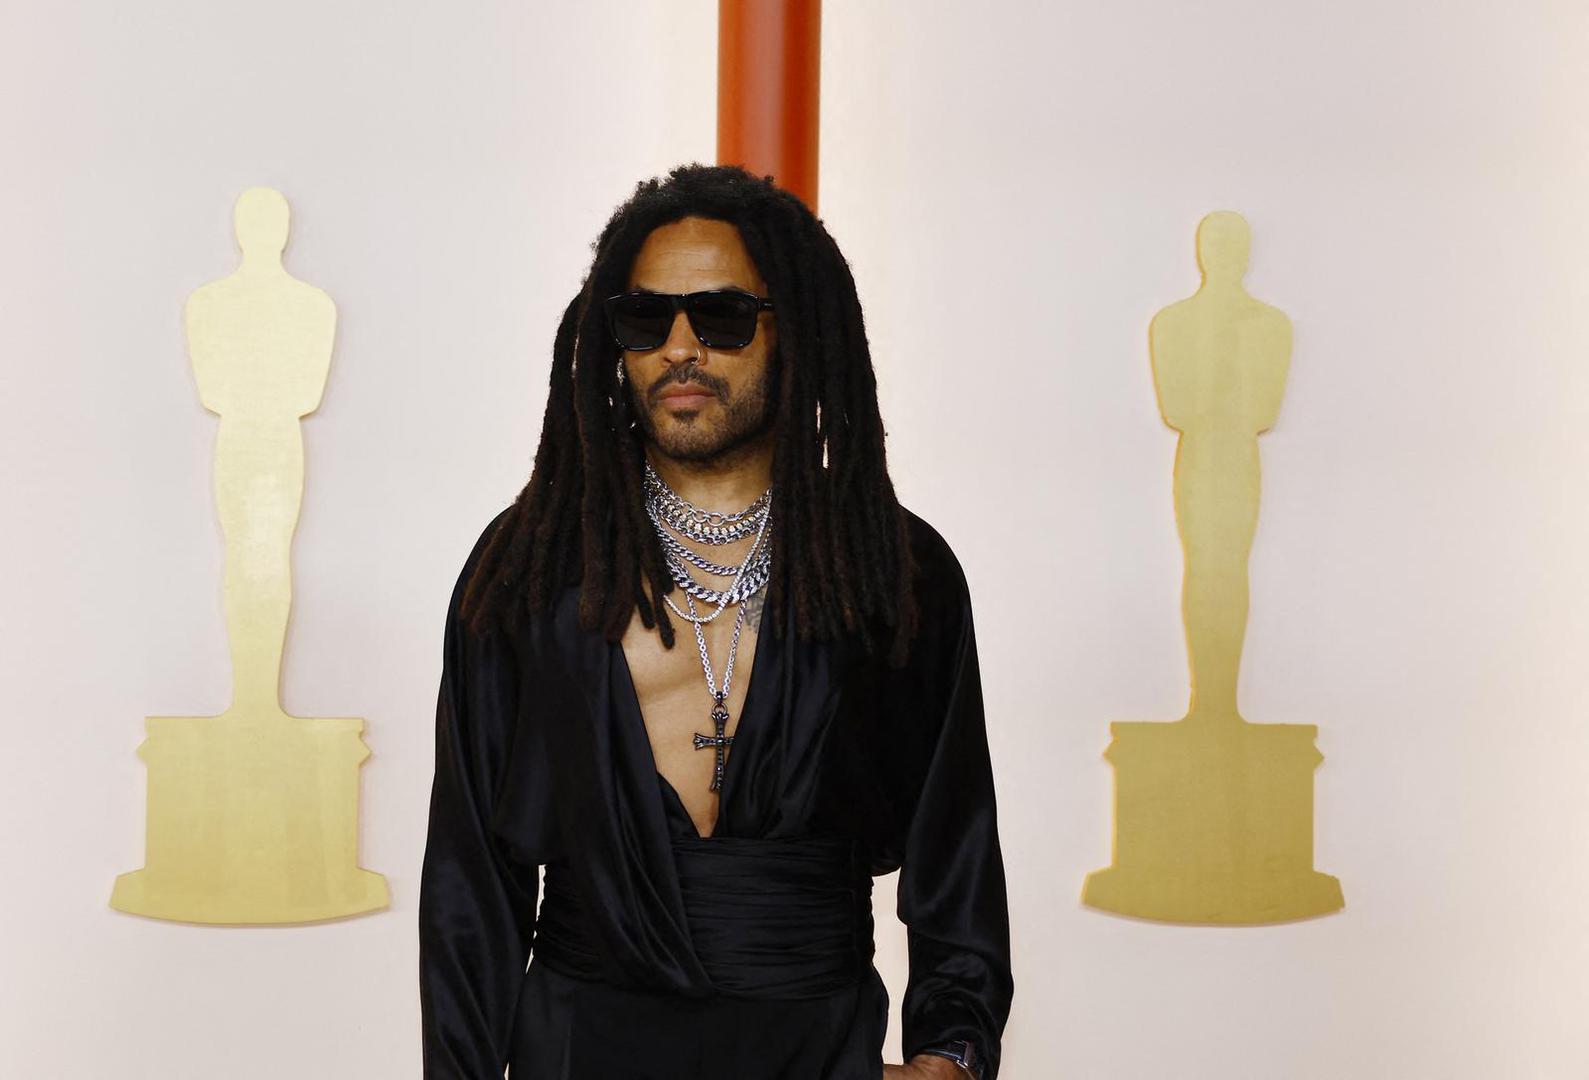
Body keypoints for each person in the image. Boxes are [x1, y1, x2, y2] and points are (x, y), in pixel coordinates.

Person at [418, 163, 1014, 1079]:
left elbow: (955, 849)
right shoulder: (529, 570)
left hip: (816, 1049)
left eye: (723, 317)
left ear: (797, 332)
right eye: (645, 319)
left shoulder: (892, 570)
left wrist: (952, 1052)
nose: (680, 347)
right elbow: (472, 885)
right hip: (581, 1052)